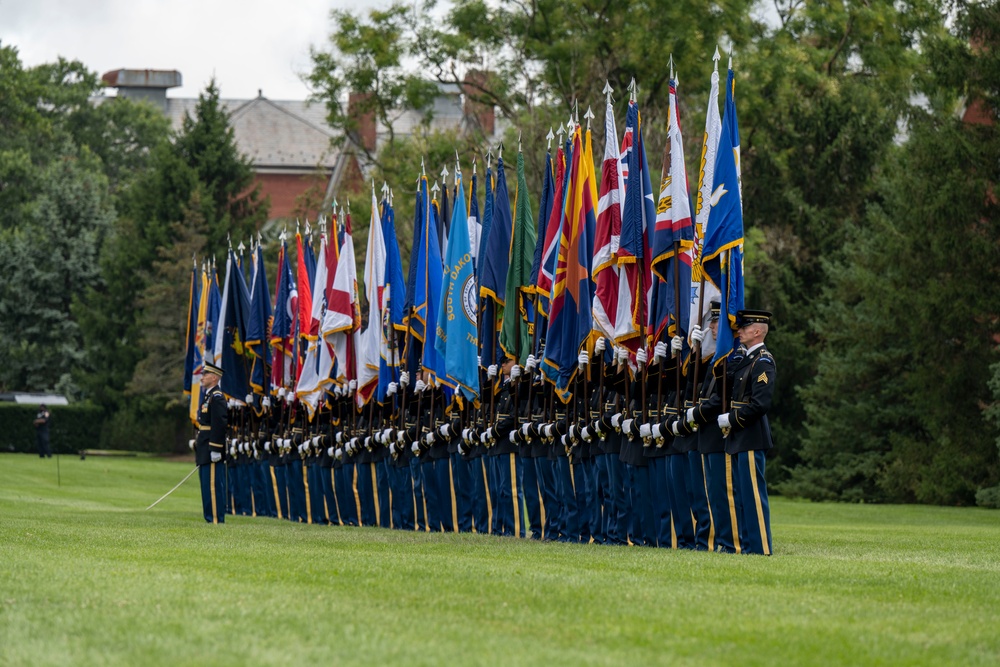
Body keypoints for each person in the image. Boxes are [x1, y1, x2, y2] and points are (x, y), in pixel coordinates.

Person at [717, 310, 776, 556]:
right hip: (738, 435)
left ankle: (760, 546)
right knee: (740, 495)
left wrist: (731, 418)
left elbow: (760, 404)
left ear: (757, 331)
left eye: (744, 326)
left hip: (750, 435)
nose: (738, 331)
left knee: (752, 495)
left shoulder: (763, 361)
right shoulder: (746, 359)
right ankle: (745, 545)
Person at [195, 362, 228, 523]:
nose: (202, 377)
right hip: (204, 445)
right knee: (206, 486)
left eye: (205, 375)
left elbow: (220, 423)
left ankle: (215, 519)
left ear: (214, 378)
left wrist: (216, 448)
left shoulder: (217, 397)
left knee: (213, 486)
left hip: (211, 447)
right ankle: (210, 517)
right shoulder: (209, 396)